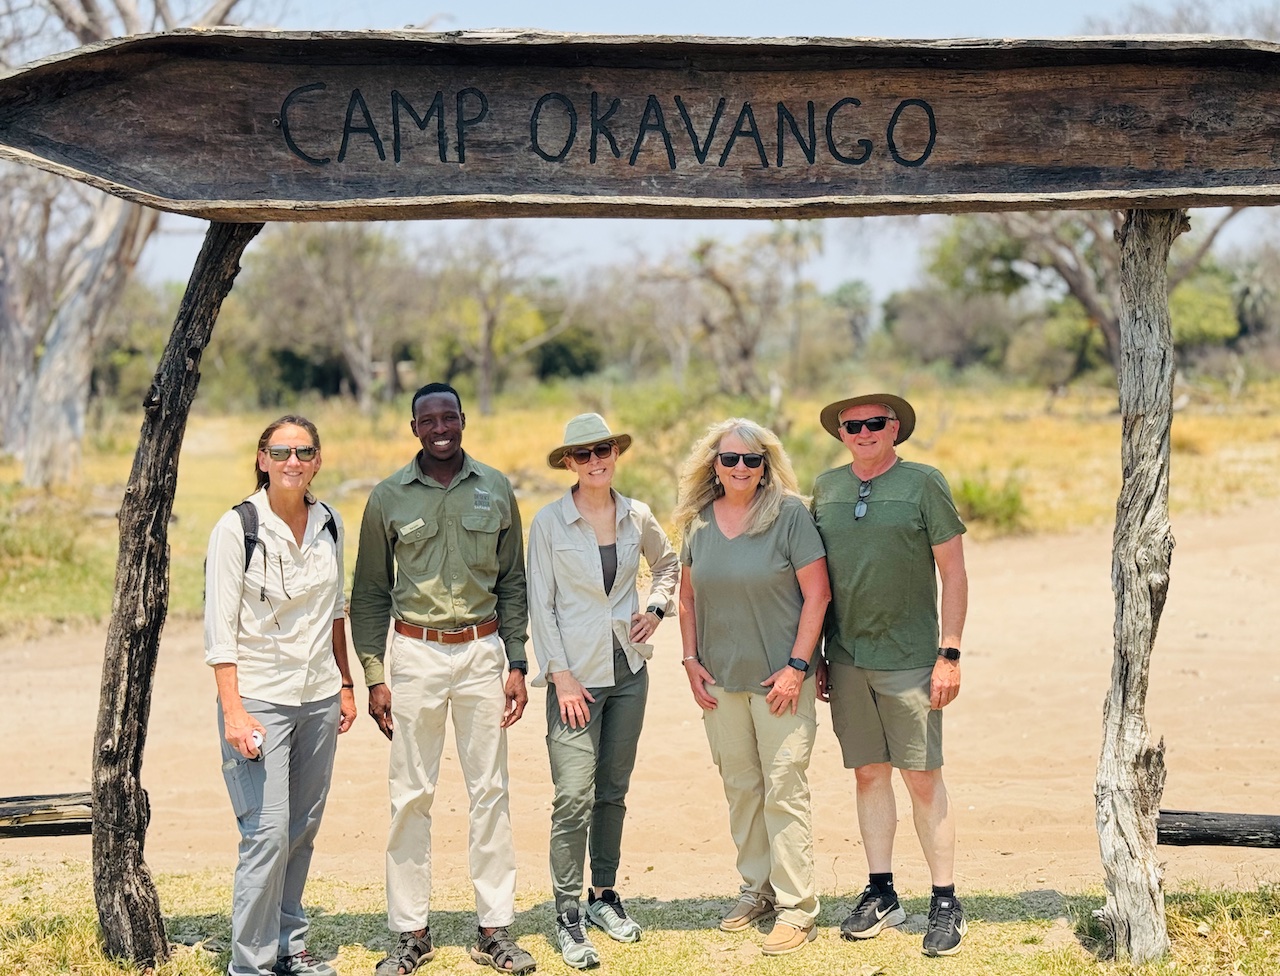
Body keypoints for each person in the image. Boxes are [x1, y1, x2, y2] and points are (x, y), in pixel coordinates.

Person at [349, 382, 536, 976]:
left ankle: (494, 930)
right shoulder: (387, 498)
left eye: (448, 417)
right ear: (414, 428)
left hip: (482, 654)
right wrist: (376, 676)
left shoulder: (496, 489)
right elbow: (370, 593)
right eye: (427, 420)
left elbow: (513, 583)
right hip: (415, 655)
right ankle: (410, 932)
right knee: (411, 795)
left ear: (462, 420)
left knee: (491, 792)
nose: (439, 428)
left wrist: (518, 661)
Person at [811, 393, 969, 958]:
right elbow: (816, 579)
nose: (863, 431)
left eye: (875, 423)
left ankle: (946, 901)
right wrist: (820, 654)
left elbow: (953, 571)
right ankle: (882, 893)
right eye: (852, 425)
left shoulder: (924, 483)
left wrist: (948, 653)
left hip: (911, 661)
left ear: (895, 428)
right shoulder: (826, 490)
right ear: (841, 434)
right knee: (868, 775)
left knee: (923, 778)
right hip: (847, 659)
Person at [204, 415, 357, 976]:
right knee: (265, 834)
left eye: (304, 451)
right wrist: (234, 711)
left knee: (301, 829)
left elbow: (334, 611)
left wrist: (344, 684)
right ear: (262, 459)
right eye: (281, 451)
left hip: (317, 696)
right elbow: (220, 632)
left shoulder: (330, 523)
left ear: (318, 461)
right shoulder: (236, 528)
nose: (293, 461)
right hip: (259, 700)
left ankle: (291, 948)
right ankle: (249, 965)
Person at [526, 413, 680, 969]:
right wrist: (559, 676)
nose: (596, 461)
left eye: (604, 450)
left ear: (616, 453)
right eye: (583, 454)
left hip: (629, 673)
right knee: (573, 795)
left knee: (613, 788)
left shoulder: (637, 514)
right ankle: (567, 912)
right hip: (574, 680)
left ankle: (604, 896)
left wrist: (656, 610)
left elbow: (668, 562)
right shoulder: (548, 523)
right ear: (569, 462)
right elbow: (539, 604)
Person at [673, 418, 831, 957]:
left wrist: (796, 666)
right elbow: (688, 598)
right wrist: (690, 660)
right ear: (713, 465)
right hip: (720, 683)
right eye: (730, 459)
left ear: (766, 466)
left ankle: (797, 907)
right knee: (741, 788)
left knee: (785, 787)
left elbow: (819, 595)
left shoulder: (789, 514)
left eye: (752, 460)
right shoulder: (697, 522)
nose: (741, 468)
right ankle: (756, 888)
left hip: (780, 683)